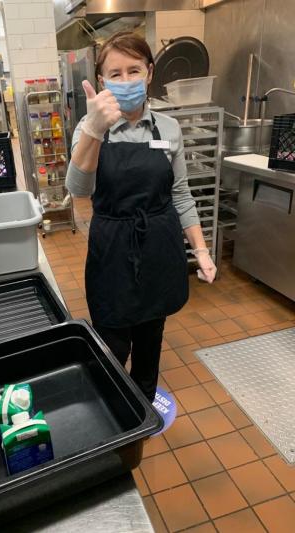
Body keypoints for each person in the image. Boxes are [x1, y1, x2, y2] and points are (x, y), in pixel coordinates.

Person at [66, 31, 217, 403]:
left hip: (159, 246)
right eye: (114, 73)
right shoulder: (89, 129)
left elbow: (180, 194)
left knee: (151, 339)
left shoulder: (168, 129)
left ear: (149, 73)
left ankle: (144, 400)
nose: (125, 80)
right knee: (113, 341)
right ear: (101, 81)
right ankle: (115, 407)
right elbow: (79, 189)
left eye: (134, 70)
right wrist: (94, 130)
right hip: (113, 247)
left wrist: (201, 251)